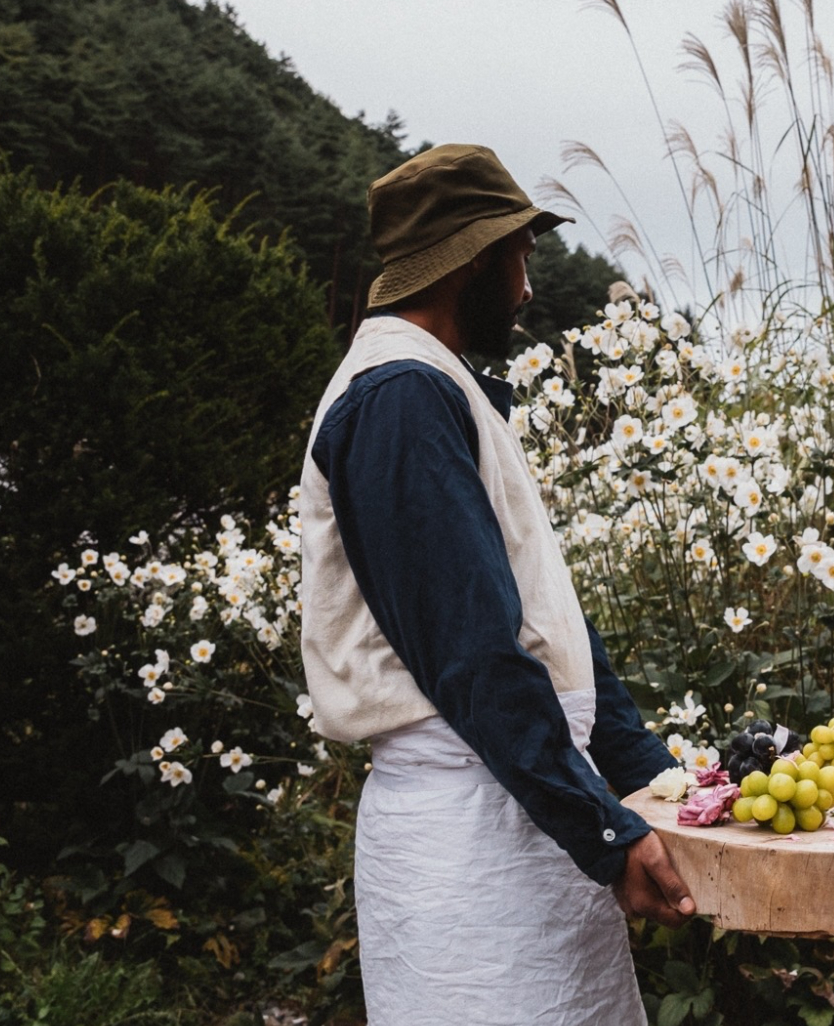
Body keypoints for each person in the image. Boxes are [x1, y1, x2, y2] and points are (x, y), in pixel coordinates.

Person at [297, 144, 693, 1025]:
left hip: (526, 814)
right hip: (467, 841)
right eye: (520, 256)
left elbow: (549, 633)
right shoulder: (397, 397)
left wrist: (654, 787)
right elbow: (474, 655)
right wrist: (603, 829)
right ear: (474, 258)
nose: (524, 287)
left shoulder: (434, 388)